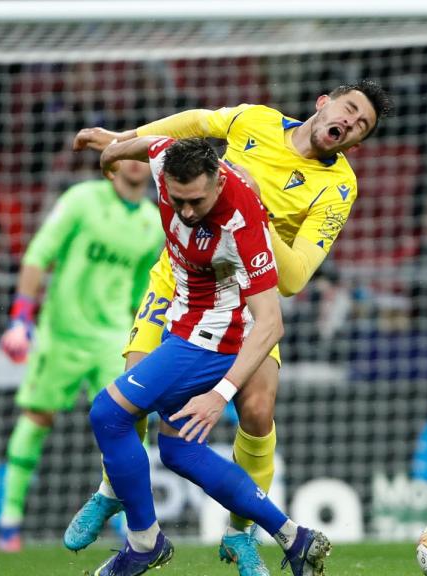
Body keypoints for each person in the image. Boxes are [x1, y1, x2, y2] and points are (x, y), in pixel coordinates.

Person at [67, 80, 391, 576]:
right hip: (177, 279)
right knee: (131, 390)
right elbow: (191, 125)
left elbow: (296, 275)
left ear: (356, 143)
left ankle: (240, 535)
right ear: (323, 102)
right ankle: (115, 493)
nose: (349, 123)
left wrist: (257, 212)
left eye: (359, 125)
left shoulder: (337, 187)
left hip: (246, 300)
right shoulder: (255, 120)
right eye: (348, 109)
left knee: (257, 412)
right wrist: (121, 138)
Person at [88, 136, 330, 576]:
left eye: (195, 201)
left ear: (219, 181)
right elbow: (157, 142)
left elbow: (272, 322)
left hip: (211, 338)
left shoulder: (243, 222)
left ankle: (144, 541)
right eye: (177, 200)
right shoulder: (169, 162)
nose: (185, 212)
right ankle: (296, 539)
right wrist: (115, 150)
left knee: (108, 412)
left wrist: (220, 395)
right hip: (182, 316)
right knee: (178, 449)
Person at [0, 160, 164, 552]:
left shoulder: (153, 222)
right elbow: (39, 255)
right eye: (129, 154)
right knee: (38, 416)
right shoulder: (81, 200)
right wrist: (21, 317)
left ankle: (127, 522)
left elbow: (144, 286)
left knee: (124, 421)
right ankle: (9, 521)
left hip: (113, 337)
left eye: (144, 156)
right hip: (62, 333)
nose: (136, 164)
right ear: (114, 163)